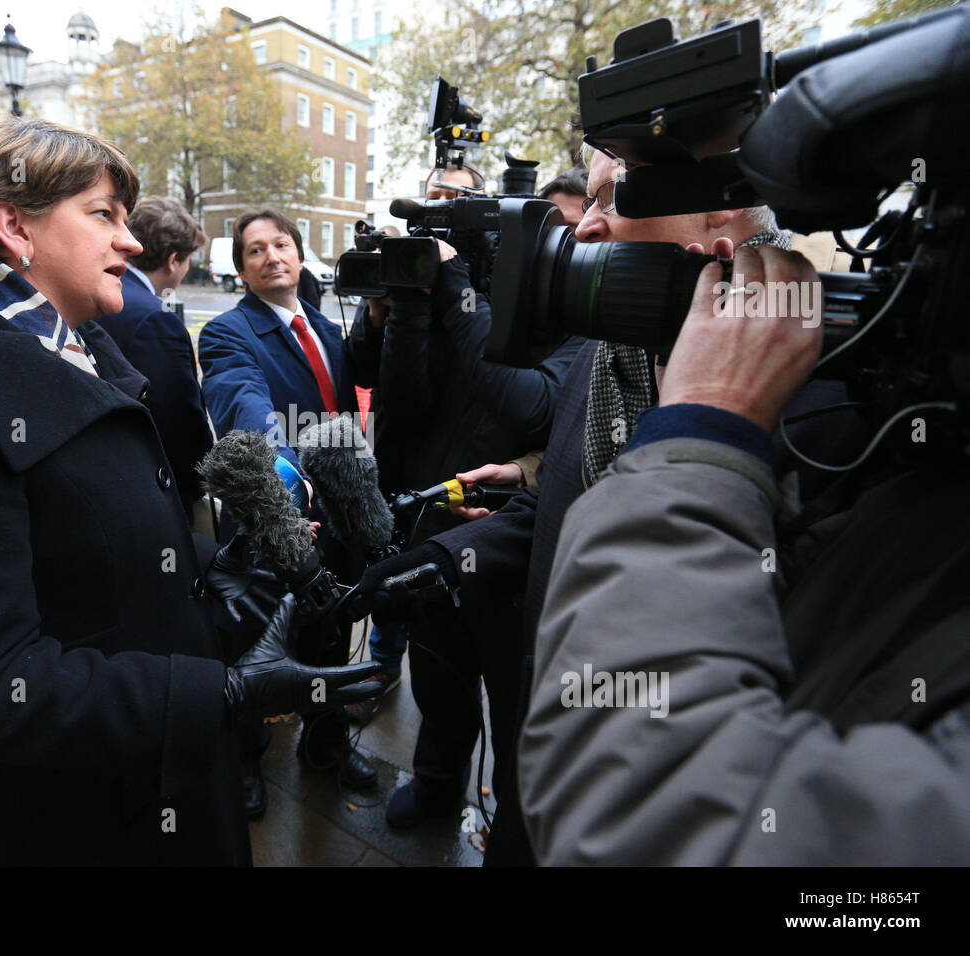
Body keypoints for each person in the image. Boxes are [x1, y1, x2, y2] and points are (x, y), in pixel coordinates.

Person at [0, 115, 377, 865]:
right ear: (12, 224)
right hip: (83, 822)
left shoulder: (83, 347)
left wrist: (205, 574)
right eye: (104, 216)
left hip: (177, 782)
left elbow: (89, 542)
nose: (131, 242)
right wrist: (215, 696)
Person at [351, 145, 868, 863]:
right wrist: (447, 557)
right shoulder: (609, 350)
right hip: (542, 781)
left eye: (608, 198)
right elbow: (571, 508)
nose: (584, 228)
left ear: (719, 202)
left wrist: (709, 428)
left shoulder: (844, 410)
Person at [519, 242, 970, 864]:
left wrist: (703, 430)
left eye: (622, 187)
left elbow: (654, 823)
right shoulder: (927, 503)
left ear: (717, 242)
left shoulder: (810, 405)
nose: (592, 224)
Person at [344, 163, 584, 838]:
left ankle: (515, 822)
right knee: (439, 682)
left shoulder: (577, 324)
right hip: (433, 530)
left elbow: (529, 403)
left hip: (510, 545)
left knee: (514, 704)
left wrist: (454, 296)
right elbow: (404, 394)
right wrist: (406, 305)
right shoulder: (461, 298)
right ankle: (437, 787)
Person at [198, 207, 374, 818]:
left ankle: (325, 746)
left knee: (328, 640)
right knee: (255, 651)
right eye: (254, 250)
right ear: (241, 269)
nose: (271, 256)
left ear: (299, 255)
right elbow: (242, 402)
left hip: (339, 520)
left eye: (281, 244)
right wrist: (282, 481)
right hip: (274, 523)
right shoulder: (226, 333)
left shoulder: (326, 328)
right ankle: (246, 763)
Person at [85, 196, 213, 522]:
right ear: (173, 261)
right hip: (152, 500)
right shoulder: (155, 320)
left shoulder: (90, 292)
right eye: (187, 262)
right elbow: (180, 423)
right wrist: (199, 487)